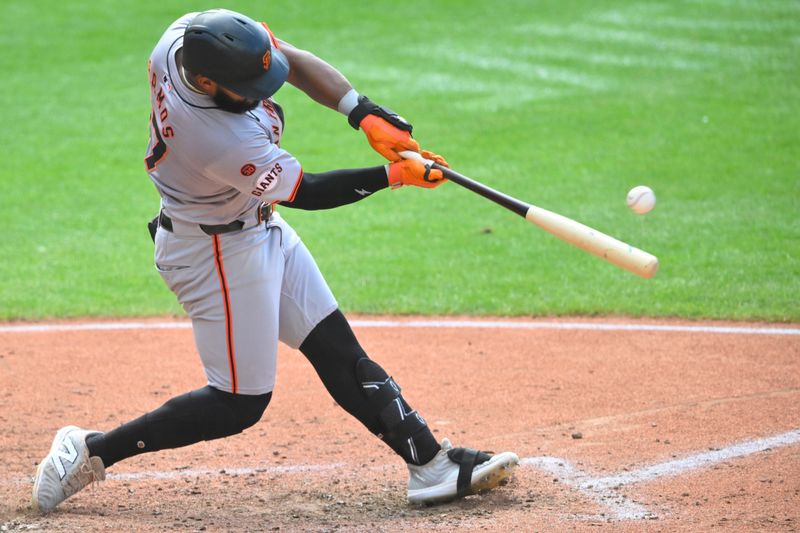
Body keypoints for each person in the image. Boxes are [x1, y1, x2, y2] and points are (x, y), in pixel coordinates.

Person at [31, 9, 518, 513]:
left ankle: (430, 464)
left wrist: (363, 112)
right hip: (213, 253)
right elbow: (306, 192)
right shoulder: (212, 136)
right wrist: (393, 175)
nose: (264, 93)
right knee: (239, 403)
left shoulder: (187, 36)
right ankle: (90, 451)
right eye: (250, 87)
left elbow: (294, 60)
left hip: (254, 225)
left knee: (335, 346)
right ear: (204, 81)